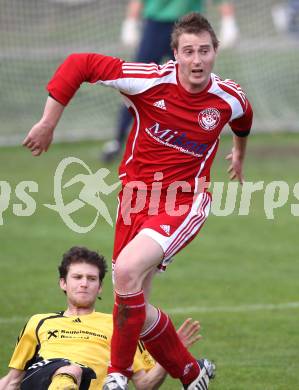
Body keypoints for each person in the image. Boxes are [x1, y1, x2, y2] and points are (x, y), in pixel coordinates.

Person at [23, 12, 253, 389]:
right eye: (189, 51)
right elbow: (78, 64)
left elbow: (243, 121)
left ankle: (116, 376)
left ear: (215, 52)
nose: (197, 60)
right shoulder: (147, 81)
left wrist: (238, 155)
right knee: (135, 308)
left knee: (126, 272)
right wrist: (49, 121)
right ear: (175, 54)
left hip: (185, 202)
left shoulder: (228, 97)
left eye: (205, 51)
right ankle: (193, 374)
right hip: (135, 201)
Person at [0, 246, 202, 390]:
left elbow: (145, 384)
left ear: (100, 287)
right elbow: (12, 381)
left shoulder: (120, 325)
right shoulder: (39, 322)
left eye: (92, 279)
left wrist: (170, 354)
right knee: (71, 371)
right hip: (45, 379)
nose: (84, 284)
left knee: (76, 372)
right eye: (77, 277)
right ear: (63, 283)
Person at [101, 0, 239, 162]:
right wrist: (130, 21)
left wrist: (228, 19)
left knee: (196, 86)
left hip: (189, 26)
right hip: (156, 26)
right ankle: (118, 140)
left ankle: (196, 142)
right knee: (135, 84)